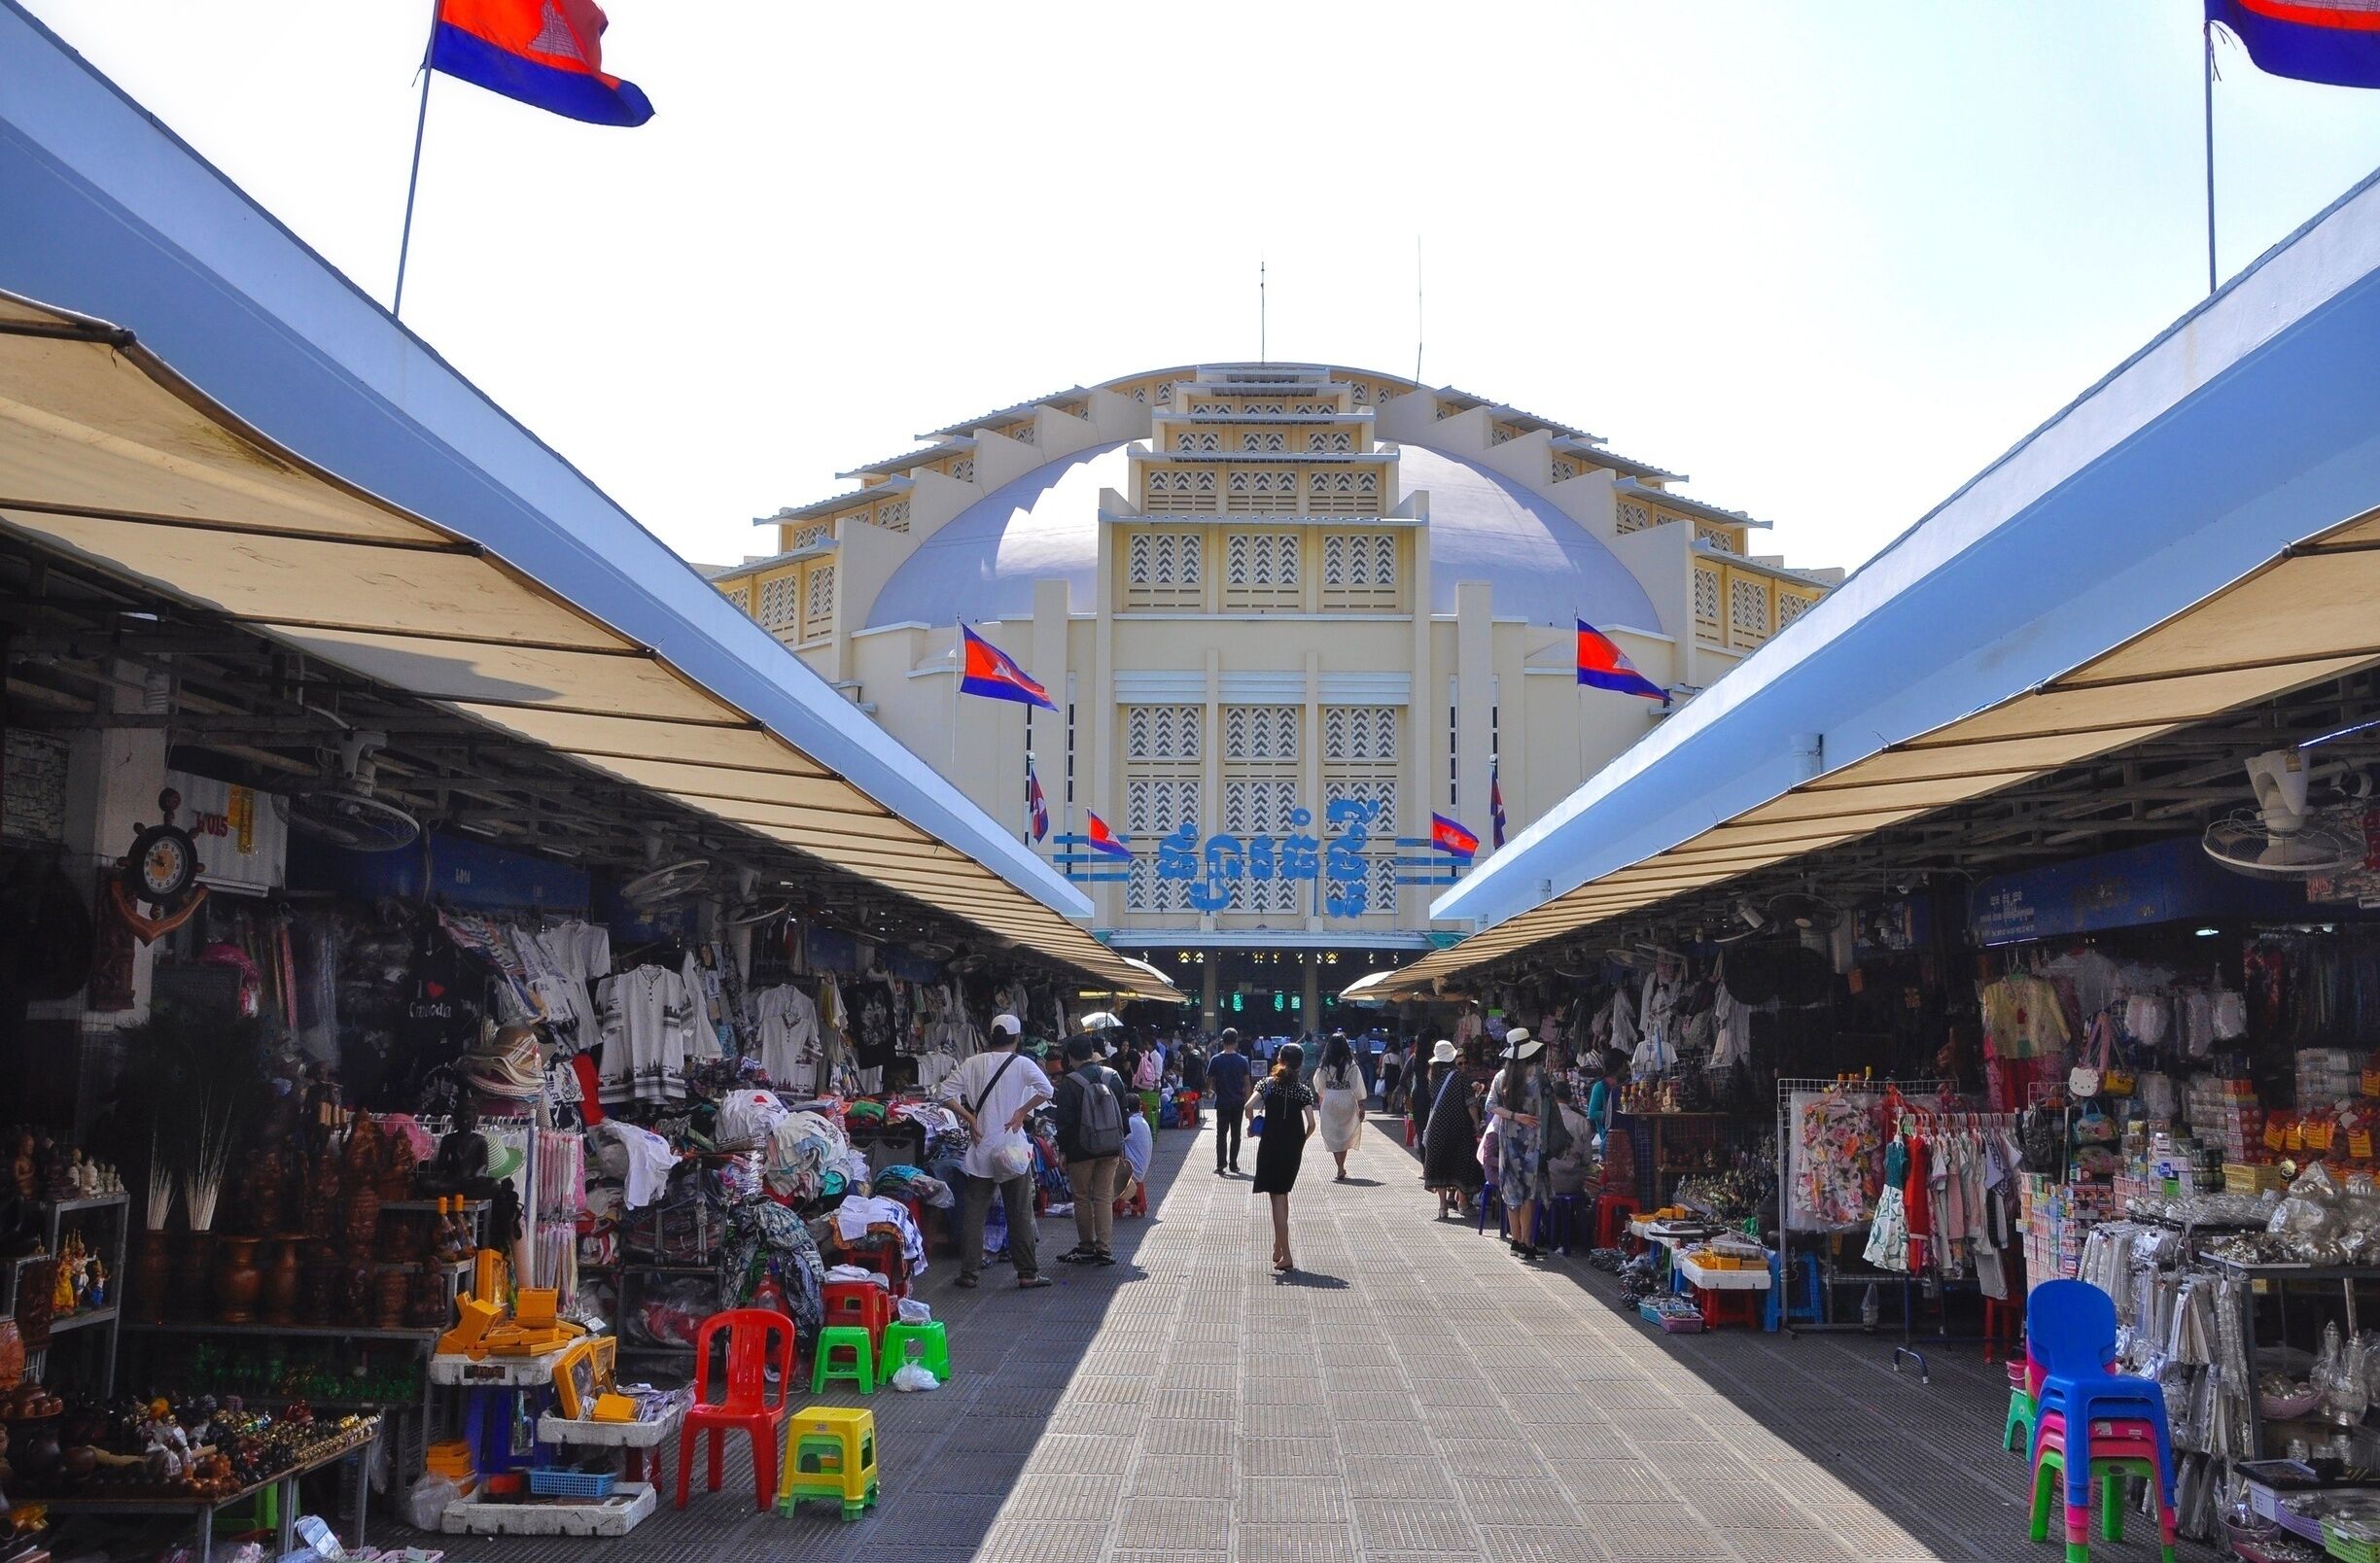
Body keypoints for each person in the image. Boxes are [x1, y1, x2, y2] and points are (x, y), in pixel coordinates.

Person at [936, 1013, 1056, 1289]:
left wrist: (971, 1118)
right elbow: (1047, 1090)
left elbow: (942, 1093)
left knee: (974, 1214)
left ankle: (969, 1273)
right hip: (1011, 1149)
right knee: (1020, 1213)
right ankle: (1027, 1273)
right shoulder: (1022, 1063)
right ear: (1016, 1039)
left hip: (980, 1148)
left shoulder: (972, 1063)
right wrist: (1021, 1112)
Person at [1051, 1034, 1135, 1268]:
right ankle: (1104, 1249)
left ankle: (1086, 1245)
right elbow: (1124, 1111)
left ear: (1070, 1057)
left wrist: (1064, 1151)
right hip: (1110, 1147)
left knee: (1081, 1197)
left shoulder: (1070, 1082)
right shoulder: (1113, 1076)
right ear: (1092, 1053)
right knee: (1104, 1196)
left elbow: (1064, 1122)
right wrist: (1119, 1141)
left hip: (1081, 1150)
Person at [1247, 1042, 1319, 1273]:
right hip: (1292, 1146)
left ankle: (1286, 1254)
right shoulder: (1303, 1090)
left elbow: (1248, 1105)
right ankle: (1278, 1247)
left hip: (1270, 1144)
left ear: (1279, 1060)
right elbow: (1311, 1124)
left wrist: (1252, 1125)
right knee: (1282, 1194)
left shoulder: (1267, 1084)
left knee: (1276, 1197)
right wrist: (1301, 1142)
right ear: (1299, 1065)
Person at [1488, 1028, 1556, 1260]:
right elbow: (1549, 1105)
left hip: (1508, 1141)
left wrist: (1514, 1116)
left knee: (1511, 1192)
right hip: (1532, 1143)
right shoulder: (1538, 1076)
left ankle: (1516, 1241)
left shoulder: (1501, 1077)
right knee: (1529, 1194)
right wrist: (1527, 1118)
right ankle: (1527, 1242)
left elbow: (1491, 1106)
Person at [1418, 1040, 1480, 1219]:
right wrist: (1476, 1123)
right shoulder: (1459, 1077)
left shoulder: (1433, 1077)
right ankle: (1463, 1202)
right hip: (1459, 1127)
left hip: (1437, 1128)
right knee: (1460, 1163)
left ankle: (1443, 1207)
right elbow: (1470, 1104)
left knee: (1441, 1165)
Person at [1313, 1031, 1366, 1182]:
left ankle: (1339, 1167)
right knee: (1344, 1135)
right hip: (1347, 1099)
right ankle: (1341, 1165)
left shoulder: (1324, 1064)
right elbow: (1358, 1086)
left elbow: (1319, 1085)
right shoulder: (1352, 1064)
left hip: (1330, 1098)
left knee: (1334, 1135)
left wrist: (1323, 1095)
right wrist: (1361, 1104)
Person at [1206, 1028, 1253, 1175]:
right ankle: (1233, 1164)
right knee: (1236, 1134)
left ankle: (1221, 1164)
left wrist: (1210, 1090)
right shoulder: (1242, 1061)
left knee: (1221, 1134)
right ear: (1236, 1041)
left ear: (1222, 1041)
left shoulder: (1216, 1059)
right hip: (1238, 1102)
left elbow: (1209, 1080)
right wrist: (1249, 1104)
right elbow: (1247, 1084)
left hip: (1222, 1102)